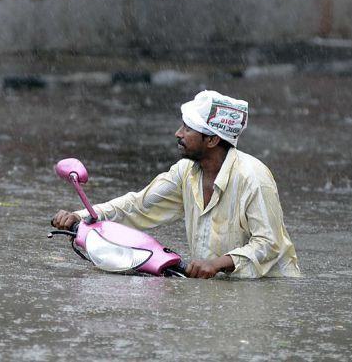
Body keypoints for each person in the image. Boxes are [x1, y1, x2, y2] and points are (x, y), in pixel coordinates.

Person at [52, 90, 300, 279]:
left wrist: (217, 263)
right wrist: (80, 216)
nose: (177, 133)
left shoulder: (254, 177)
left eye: (187, 128)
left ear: (212, 139)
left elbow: (269, 245)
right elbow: (139, 205)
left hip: (270, 288)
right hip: (216, 286)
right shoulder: (185, 173)